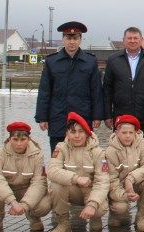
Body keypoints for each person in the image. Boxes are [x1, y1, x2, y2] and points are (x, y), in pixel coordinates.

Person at [36, 21, 104, 152]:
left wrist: (97, 116)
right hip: (58, 117)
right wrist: (42, 117)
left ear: (80, 40)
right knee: (58, 157)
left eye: (75, 38)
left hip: (82, 117)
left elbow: (96, 91)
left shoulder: (90, 61)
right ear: (63, 39)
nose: (72, 42)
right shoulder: (52, 61)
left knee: (84, 157)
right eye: (68, 38)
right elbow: (45, 91)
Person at [0, 122, 50, 232]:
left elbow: (39, 182)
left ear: (28, 139)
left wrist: (25, 205)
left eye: (23, 139)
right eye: (15, 139)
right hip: (7, 189)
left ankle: (34, 217)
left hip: (26, 190)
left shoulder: (37, 155)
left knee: (44, 204)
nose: (19, 144)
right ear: (9, 139)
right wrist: (12, 202)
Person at [47, 112, 109, 232]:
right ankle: (63, 224)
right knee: (56, 186)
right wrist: (76, 178)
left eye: (81, 131)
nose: (77, 136)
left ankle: (94, 218)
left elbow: (102, 181)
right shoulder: (61, 148)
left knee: (98, 210)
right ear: (67, 134)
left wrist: (92, 204)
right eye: (72, 131)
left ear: (87, 133)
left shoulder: (98, 152)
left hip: (91, 191)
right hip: (72, 189)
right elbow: (52, 171)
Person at [103, 27, 144, 141]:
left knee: (143, 150)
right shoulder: (113, 60)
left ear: (141, 40)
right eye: (129, 38)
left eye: (135, 38)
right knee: (120, 150)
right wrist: (108, 115)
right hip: (121, 115)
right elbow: (107, 89)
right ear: (124, 40)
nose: (132, 41)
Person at [104, 115, 144, 232]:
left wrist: (131, 178)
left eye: (130, 132)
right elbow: (111, 180)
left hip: (136, 181)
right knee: (120, 208)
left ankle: (142, 215)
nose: (127, 136)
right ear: (117, 132)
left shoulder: (143, 144)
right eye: (124, 132)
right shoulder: (110, 151)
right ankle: (114, 213)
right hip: (119, 187)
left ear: (136, 133)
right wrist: (124, 195)